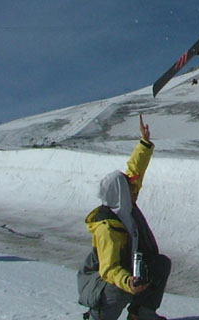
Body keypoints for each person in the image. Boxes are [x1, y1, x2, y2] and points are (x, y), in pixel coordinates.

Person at [77, 116, 171, 320]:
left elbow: (135, 171)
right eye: (128, 186)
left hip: (124, 272)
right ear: (120, 193)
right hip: (100, 282)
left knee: (159, 265)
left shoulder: (125, 206)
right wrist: (128, 281)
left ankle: (140, 314)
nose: (133, 187)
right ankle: (97, 316)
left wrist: (144, 143)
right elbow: (109, 269)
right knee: (119, 288)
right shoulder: (106, 228)